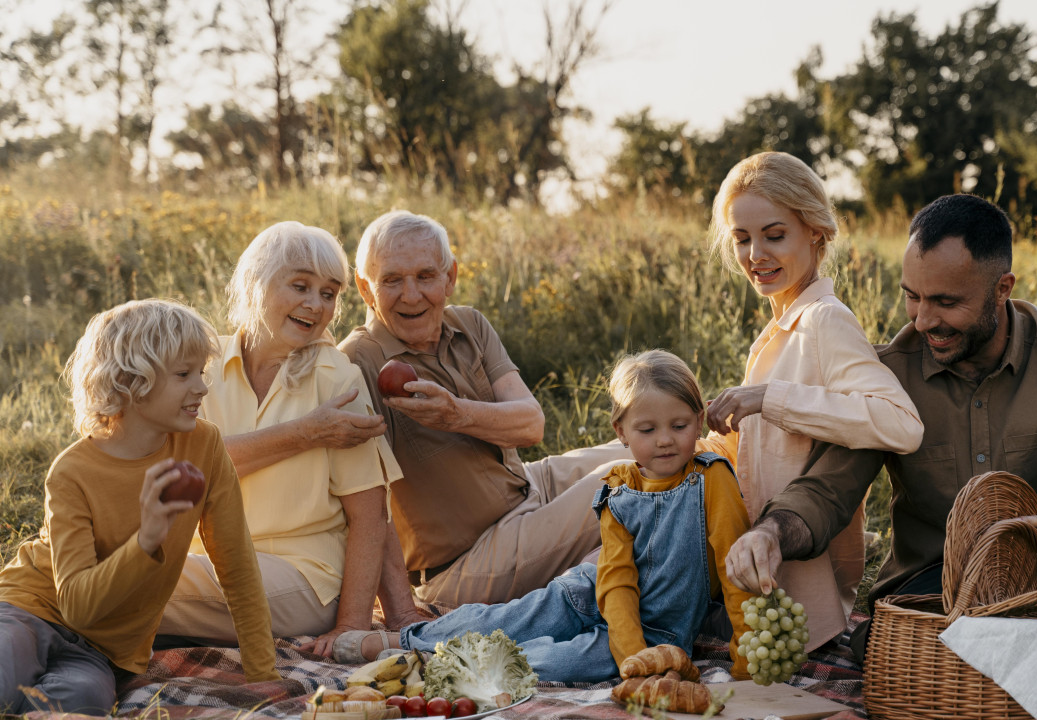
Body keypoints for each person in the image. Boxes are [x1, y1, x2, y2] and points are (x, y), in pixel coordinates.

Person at [726, 193, 1037, 720]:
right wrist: (771, 533)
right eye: (912, 296)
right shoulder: (892, 373)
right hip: (940, 590)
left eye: (945, 302)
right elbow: (828, 487)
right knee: (894, 651)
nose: (922, 319)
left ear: (1002, 289)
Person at [336, 350, 753, 682]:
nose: (665, 440)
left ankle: (434, 662)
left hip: (656, 634)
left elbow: (731, 567)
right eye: (647, 430)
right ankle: (402, 640)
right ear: (621, 432)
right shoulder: (617, 486)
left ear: (699, 420)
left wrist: (745, 652)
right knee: (507, 620)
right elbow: (617, 576)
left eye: (679, 425)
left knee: (550, 662)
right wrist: (633, 656)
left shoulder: (711, 479)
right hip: (591, 595)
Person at [337, 210, 632, 616]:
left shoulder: (469, 324)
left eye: (425, 276)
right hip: (468, 559)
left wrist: (455, 414)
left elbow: (531, 424)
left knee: (645, 449)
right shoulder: (356, 364)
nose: (410, 295)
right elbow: (368, 503)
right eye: (391, 280)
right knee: (624, 483)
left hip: (528, 486)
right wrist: (401, 614)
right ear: (365, 289)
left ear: (450, 277)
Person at [0, 300, 279, 714]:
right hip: (27, 610)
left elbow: (236, 565)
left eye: (200, 372)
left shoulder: (204, 445)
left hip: (102, 650)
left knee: (80, 702)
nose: (202, 388)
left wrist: (263, 674)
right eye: (183, 374)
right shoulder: (71, 472)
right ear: (130, 383)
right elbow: (76, 604)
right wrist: (146, 540)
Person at [157, 221, 420, 659]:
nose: (315, 305)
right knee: (112, 580)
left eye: (329, 293)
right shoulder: (201, 364)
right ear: (255, 282)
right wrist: (303, 434)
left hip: (305, 578)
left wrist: (352, 626)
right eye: (300, 286)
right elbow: (176, 471)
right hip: (209, 557)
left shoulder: (337, 378)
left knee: (129, 582)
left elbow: (371, 516)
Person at [699, 151, 923, 651]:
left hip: (794, 605)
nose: (755, 253)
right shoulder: (782, 326)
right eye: (741, 238)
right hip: (749, 581)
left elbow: (901, 424)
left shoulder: (824, 320)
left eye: (774, 235)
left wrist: (768, 398)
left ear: (816, 234)